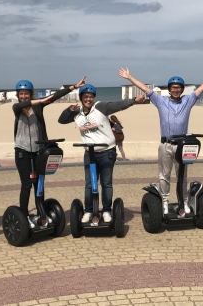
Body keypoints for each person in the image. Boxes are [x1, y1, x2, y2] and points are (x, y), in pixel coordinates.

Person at [119, 64, 203, 215]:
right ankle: (164, 201)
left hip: (183, 145)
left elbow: (202, 88)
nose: (176, 90)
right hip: (166, 145)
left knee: (182, 175)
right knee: (164, 175)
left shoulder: (188, 101)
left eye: (178, 87)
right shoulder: (161, 101)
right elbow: (145, 89)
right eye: (173, 87)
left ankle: (183, 201)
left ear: (182, 89)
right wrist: (129, 77)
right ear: (169, 89)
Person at [58, 85, 145, 223]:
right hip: (89, 153)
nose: (88, 99)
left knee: (106, 183)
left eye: (91, 97)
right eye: (85, 97)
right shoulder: (77, 112)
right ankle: (88, 211)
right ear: (81, 98)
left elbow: (118, 105)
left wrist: (134, 100)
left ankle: (106, 210)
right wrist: (68, 109)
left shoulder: (100, 107)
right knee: (89, 184)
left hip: (106, 152)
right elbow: (61, 120)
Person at [13, 77, 86, 228]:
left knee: (38, 184)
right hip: (22, 151)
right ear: (18, 95)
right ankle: (24, 216)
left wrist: (73, 87)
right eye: (21, 93)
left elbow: (54, 96)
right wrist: (39, 101)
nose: (24, 96)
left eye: (26, 93)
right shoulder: (17, 107)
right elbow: (24, 105)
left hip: (39, 150)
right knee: (27, 184)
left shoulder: (38, 107)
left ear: (30, 94)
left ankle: (41, 214)